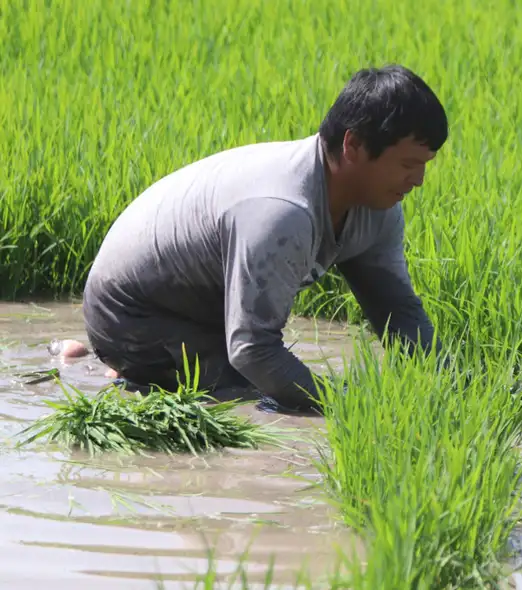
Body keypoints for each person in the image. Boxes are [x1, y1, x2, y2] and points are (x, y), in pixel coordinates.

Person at [78, 64, 447, 414]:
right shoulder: (282, 211)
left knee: (269, 383)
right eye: (407, 165)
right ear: (353, 146)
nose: (419, 180)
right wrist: (342, 406)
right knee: (245, 395)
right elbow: (253, 349)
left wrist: (453, 384)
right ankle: (125, 369)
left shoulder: (377, 207)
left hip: (203, 307)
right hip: (130, 311)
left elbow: (398, 312)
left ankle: (128, 372)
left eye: (425, 164)